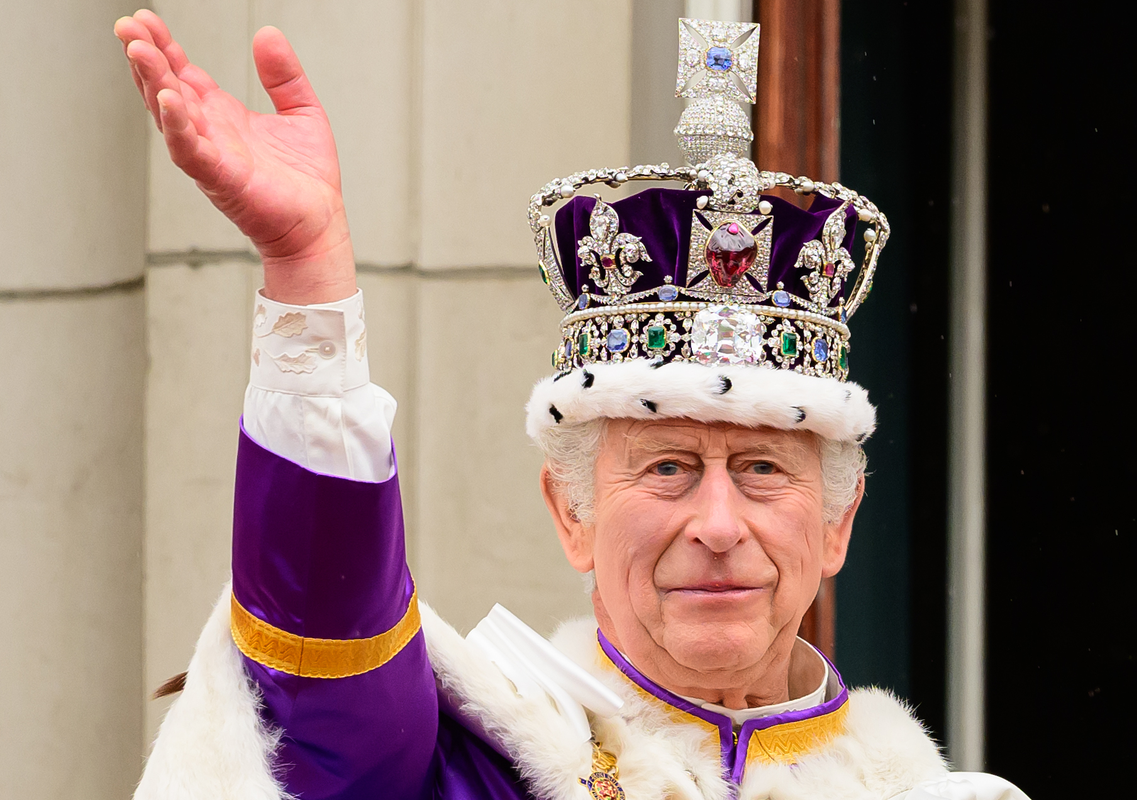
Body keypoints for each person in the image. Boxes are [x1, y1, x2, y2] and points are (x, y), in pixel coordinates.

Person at [116, 9, 1030, 800]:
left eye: (761, 469)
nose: (718, 523)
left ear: (838, 524)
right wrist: (308, 272)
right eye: (669, 467)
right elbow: (323, 642)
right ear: (570, 514)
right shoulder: (470, 762)